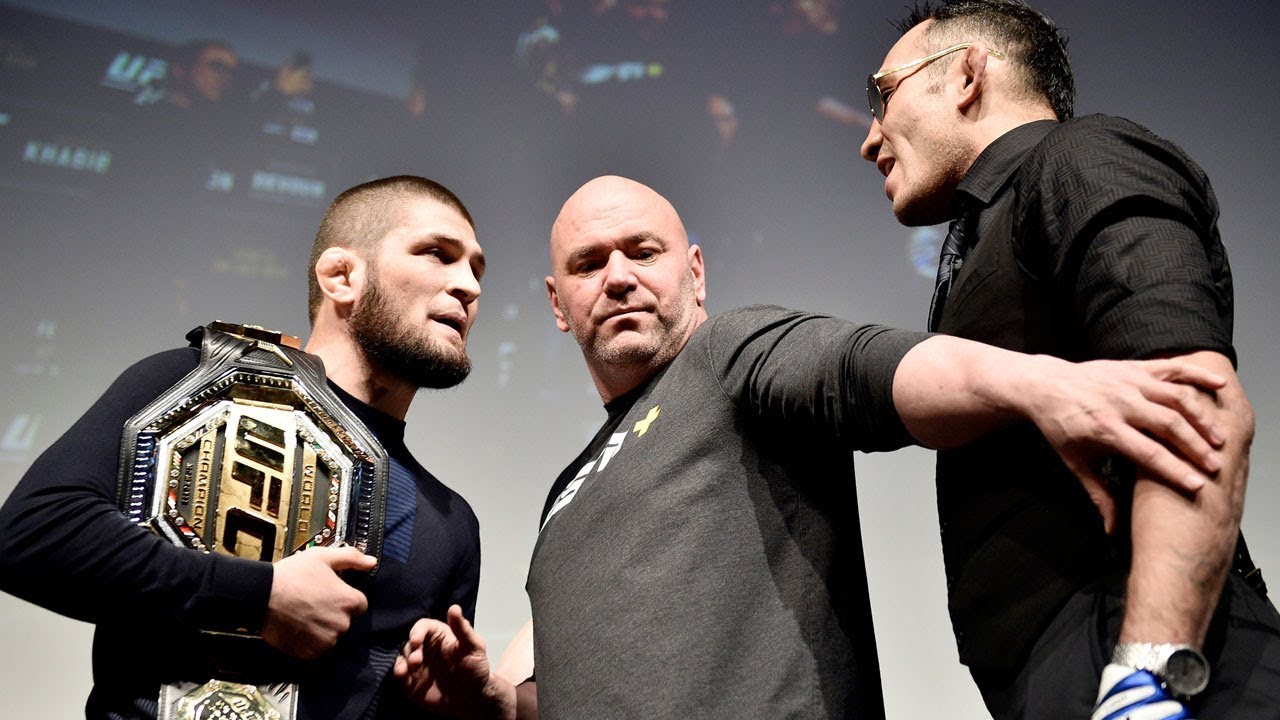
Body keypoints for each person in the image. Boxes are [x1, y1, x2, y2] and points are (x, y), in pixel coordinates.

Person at [394, 174, 1230, 719]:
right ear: (556, 303)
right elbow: (575, 689)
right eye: (589, 264)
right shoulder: (563, 498)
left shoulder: (727, 355)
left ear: (695, 272)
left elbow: (869, 369)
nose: (618, 276)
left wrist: (1041, 384)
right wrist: (496, 702)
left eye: (642, 253)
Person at [858, 1, 1280, 717]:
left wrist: (1148, 675)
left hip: (1146, 658)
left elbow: (1195, 402)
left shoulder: (1081, 156)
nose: (870, 139)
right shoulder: (992, 229)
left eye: (883, 94)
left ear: (966, 76)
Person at [0, 175, 487, 720]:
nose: (468, 286)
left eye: (476, 269)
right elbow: (33, 533)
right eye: (437, 254)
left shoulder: (450, 527)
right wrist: (259, 596)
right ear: (341, 276)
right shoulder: (193, 388)